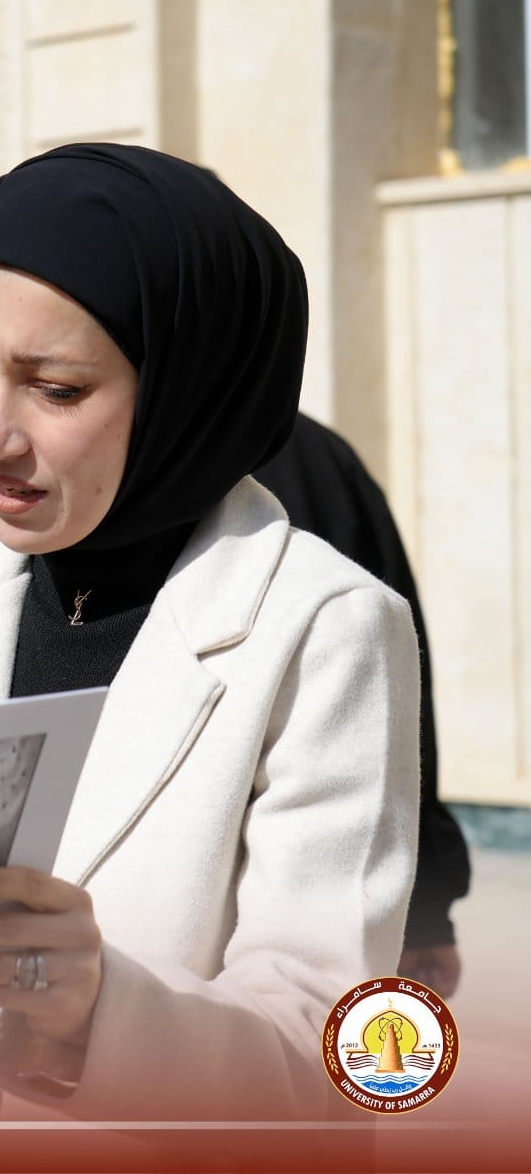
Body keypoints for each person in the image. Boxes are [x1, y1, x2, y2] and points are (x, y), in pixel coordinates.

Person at [0, 144, 419, 1121]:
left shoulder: (324, 629)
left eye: (57, 389)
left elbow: (334, 1061)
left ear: (184, 390)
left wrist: (99, 1009)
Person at [256, 413, 471, 995]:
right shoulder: (324, 455)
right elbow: (407, 701)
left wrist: (428, 907)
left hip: (296, 884)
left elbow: (397, 687)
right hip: (332, 884)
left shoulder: (158, 460)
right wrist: (429, 909)